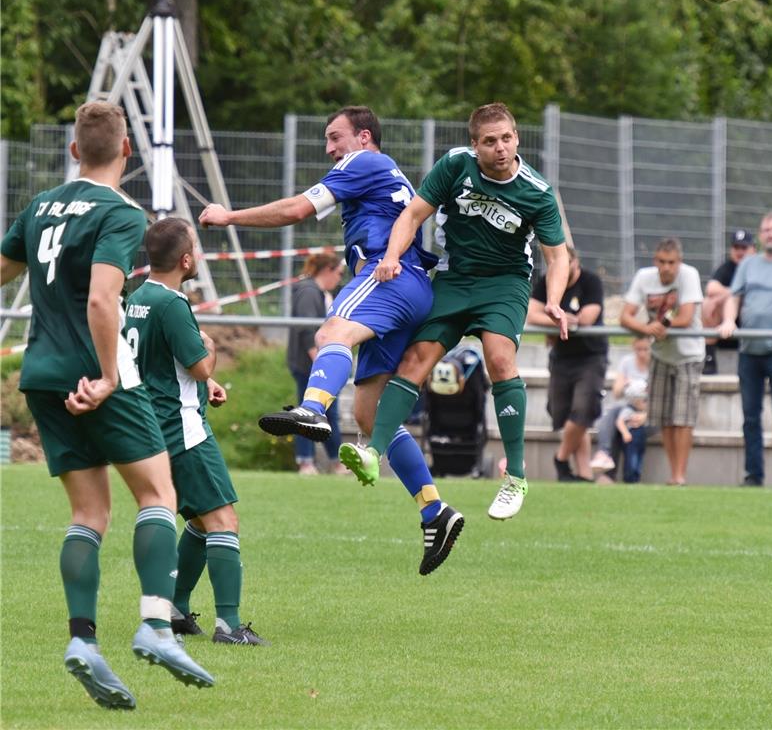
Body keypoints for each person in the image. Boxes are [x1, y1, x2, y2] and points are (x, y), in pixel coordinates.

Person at [0, 102, 213, 710]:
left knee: (89, 513)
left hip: (41, 374)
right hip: (95, 372)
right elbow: (101, 300)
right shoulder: (122, 212)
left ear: (74, 151)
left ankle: (83, 641)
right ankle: (155, 625)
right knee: (158, 495)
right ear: (127, 151)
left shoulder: (41, 206)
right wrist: (109, 374)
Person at [199, 106, 462, 576]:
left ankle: (313, 409)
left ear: (364, 137)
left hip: (389, 274)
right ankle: (434, 510)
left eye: (335, 137)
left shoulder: (363, 162)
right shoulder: (383, 173)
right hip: (414, 284)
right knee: (368, 415)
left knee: (330, 331)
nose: (329, 149)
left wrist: (229, 216)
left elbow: (297, 209)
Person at [338, 102, 570, 520]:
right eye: (489, 141)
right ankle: (372, 453)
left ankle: (515, 477)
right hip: (454, 277)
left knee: (500, 358)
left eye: (506, 139)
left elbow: (558, 257)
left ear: (516, 138)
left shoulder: (537, 191)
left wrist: (553, 300)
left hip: (505, 283)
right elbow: (412, 214)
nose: (500, 148)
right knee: (414, 361)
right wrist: (392, 256)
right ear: (474, 145)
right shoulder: (454, 166)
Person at [125, 217, 267, 646]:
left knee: (202, 522)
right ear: (186, 259)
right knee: (224, 519)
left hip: (152, 426)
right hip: (183, 429)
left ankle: (175, 608)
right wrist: (207, 353)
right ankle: (229, 625)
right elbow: (200, 362)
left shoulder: (139, 296)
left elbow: (161, 362)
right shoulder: (172, 303)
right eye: (197, 250)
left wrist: (203, 382)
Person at [620, 238, 705, 486]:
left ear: (679, 262)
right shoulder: (644, 277)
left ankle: (680, 475)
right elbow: (625, 317)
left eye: (672, 262)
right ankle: (673, 474)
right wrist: (647, 328)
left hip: (688, 356)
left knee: (683, 418)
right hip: (660, 354)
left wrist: (657, 327)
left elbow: (687, 316)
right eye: (662, 261)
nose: (666, 267)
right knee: (664, 418)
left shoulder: (689, 275)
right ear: (655, 260)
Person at [526, 246, 608, 482]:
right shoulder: (547, 282)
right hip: (561, 357)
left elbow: (586, 318)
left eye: (566, 264)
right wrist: (560, 319)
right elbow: (532, 314)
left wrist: (552, 318)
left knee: (583, 409)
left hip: (590, 356)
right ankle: (583, 474)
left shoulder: (591, 282)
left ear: (575, 262)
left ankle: (561, 459)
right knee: (563, 414)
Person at [718, 212, 772, 486]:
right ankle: (754, 476)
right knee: (751, 418)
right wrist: (729, 319)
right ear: (760, 233)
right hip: (749, 353)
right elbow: (734, 297)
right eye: (767, 229)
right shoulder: (748, 265)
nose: (771, 234)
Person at [286, 252, 346, 475]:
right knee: (309, 412)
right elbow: (307, 330)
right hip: (309, 366)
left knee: (326, 413)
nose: (340, 278)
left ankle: (335, 461)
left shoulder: (319, 292)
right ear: (327, 270)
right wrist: (321, 364)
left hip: (315, 365)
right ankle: (307, 462)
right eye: (339, 273)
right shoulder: (309, 292)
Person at [591, 336, 651, 478]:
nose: (641, 354)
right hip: (627, 409)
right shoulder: (627, 362)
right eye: (638, 349)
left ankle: (627, 476)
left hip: (649, 413)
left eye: (645, 349)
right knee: (612, 415)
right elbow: (617, 393)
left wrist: (646, 415)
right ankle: (604, 454)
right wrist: (626, 384)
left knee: (632, 432)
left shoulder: (656, 365)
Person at [702, 229, 755, 374]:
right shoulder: (728, 267)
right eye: (736, 247)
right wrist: (733, 293)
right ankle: (709, 357)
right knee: (708, 303)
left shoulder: (759, 266)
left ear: (753, 249)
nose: (739, 251)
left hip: (755, 319)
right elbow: (711, 288)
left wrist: (727, 294)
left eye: (744, 247)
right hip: (727, 326)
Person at [615, 381, 649, 484]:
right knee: (631, 460)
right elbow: (619, 421)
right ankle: (629, 479)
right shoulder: (628, 410)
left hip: (641, 440)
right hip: (631, 439)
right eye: (644, 400)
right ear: (635, 400)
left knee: (639, 460)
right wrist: (625, 433)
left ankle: (636, 479)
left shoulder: (643, 412)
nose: (646, 403)